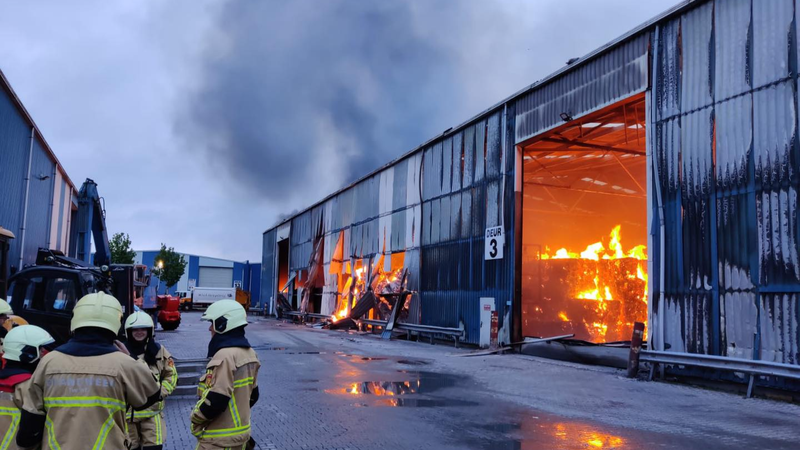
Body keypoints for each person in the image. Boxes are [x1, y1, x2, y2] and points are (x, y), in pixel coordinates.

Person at [16, 292, 162, 449]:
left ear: (75, 319)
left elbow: (29, 430)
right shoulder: (124, 364)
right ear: (116, 323)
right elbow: (151, 395)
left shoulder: (49, 362)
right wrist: (132, 358)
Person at [191, 300, 260, 450]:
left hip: (218, 440)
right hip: (240, 437)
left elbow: (216, 400)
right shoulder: (250, 353)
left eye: (212, 323)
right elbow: (254, 395)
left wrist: (196, 419)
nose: (210, 328)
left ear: (223, 324)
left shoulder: (224, 356)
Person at [124, 311, 178, 450]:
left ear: (150, 331)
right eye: (135, 329)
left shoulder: (159, 351)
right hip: (127, 417)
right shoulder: (121, 353)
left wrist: (160, 393)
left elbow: (171, 375)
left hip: (152, 415)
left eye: (143, 329)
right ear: (128, 331)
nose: (139, 332)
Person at [0, 325, 55, 450]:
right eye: (41, 349)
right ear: (27, 351)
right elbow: (32, 431)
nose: (44, 353)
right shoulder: (29, 385)